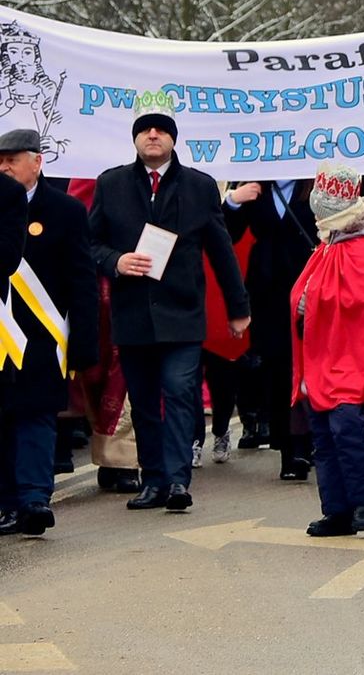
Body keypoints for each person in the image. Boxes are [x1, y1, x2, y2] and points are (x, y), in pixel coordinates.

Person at [88, 92, 249, 513]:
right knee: (143, 401)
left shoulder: (198, 185)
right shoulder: (111, 183)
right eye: (145, 129)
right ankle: (154, 479)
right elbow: (90, 244)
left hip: (182, 312)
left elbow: (221, 250)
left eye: (161, 128)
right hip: (133, 313)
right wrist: (116, 261)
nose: (153, 135)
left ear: (174, 137)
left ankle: (178, 480)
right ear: (135, 138)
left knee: (179, 391)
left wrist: (238, 308)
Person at [0, 130, 98, 537]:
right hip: (0, 334)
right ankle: (7, 502)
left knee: (36, 415)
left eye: (12, 159)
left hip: (42, 334)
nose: (4, 167)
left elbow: (82, 278)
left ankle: (34, 499)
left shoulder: (65, 210)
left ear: (37, 162)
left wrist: (85, 341)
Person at [290, 164, 364, 537]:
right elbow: (308, 289)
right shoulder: (330, 244)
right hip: (323, 352)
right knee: (323, 431)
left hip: (350, 353)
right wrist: (305, 301)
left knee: (346, 425)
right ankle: (336, 510)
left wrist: (313, 301)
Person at [223, 174, 319, 479]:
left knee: (311, 365)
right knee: (279, 369)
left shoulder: (315, 183)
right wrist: (233, 202)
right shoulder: (253, 184)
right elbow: (227, 235)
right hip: (267, 289)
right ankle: (291, 450)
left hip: (311, 284)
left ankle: (313, 440)